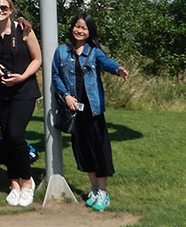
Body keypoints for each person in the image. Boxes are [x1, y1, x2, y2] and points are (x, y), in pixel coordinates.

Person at [52, 13, 129, 212]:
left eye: (84, 28)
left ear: (89, 32)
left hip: (93, 111)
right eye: (77, 26)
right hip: (74, 110)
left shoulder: (94, 52)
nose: (79, 30)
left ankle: (103, 192)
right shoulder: (61, 52)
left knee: (99, 151)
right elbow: (55, 75)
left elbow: (107, 62)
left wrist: (118, 69)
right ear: (72, 28)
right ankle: (93, 188)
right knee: (83, 152)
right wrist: (66, 96)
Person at [0, 0, 42, 207]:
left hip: (24, 90)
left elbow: (38, 59)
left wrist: (23, 76)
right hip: (1, 91)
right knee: (7, 137)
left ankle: (27, 181)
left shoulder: (24, 29)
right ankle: (14, 184)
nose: (0, 11)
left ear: (11, 9)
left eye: (4, 7)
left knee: (16, 134)